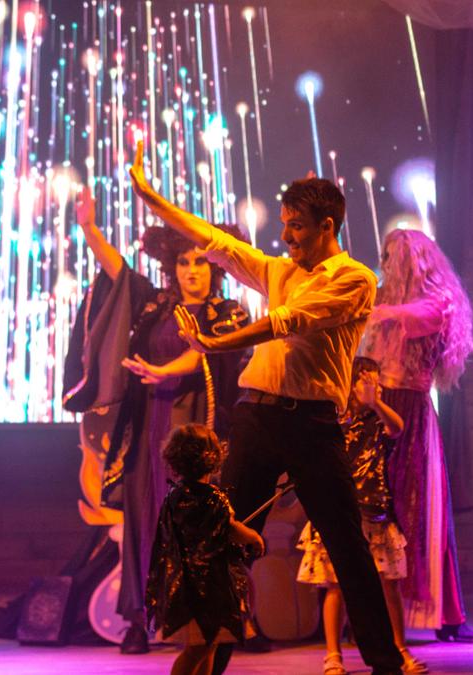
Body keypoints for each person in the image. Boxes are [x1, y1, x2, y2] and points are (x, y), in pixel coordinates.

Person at [131, 141, 404, 674]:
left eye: (296, 226)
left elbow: (290, 322)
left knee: (348, 547)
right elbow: (214, 242)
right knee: (223, 542)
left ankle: (385, 663)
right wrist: (152, 198)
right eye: (284, 225)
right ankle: (209, 663)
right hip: (256, 419)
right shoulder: (281, 271)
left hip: (313, 425)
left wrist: (215, 343)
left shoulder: (354, 278)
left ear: (327, 226)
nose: (286, 236)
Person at [62, 187, 248, 654]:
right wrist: (88, 227)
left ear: (214, 268)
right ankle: (138, 620)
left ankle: (207, 619)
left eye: (201, 262)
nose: (192, 271)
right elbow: (117, 270)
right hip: (150, 430)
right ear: (172, 266)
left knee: (197, 522)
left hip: (198, 433)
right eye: (184, 262)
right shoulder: (155, 305)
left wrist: (165, 371)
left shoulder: (227, 313)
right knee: (145, 519)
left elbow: (202, 353)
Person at [361, 228, 473, 642]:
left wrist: (376, 309)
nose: (386, 263)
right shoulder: (384, 300)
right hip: (377, 408)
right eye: (384, 255)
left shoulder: (438, 302)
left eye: (392, 256)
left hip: (411, 413)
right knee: (374, 508)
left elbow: (413, 318)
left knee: (425, 513)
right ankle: (372, 615)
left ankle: (447, 615)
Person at [297, 357, 428, 675]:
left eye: (376, 381)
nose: (373, 386)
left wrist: (376, 403)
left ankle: (399, 650)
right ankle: (333, 654)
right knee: (336, 585)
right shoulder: (333, 420)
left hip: (376, 512)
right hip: (338, 512)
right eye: (366, 380)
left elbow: (397, 428)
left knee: (389, 585)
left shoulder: (377, 420)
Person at [146, 423, 264, 675]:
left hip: (184, 585)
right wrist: (253, 536)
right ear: (213, 457)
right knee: (198, 649)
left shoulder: (174, 496)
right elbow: (230, 528)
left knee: (208, 645)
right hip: (208, 589)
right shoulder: (214, 498)